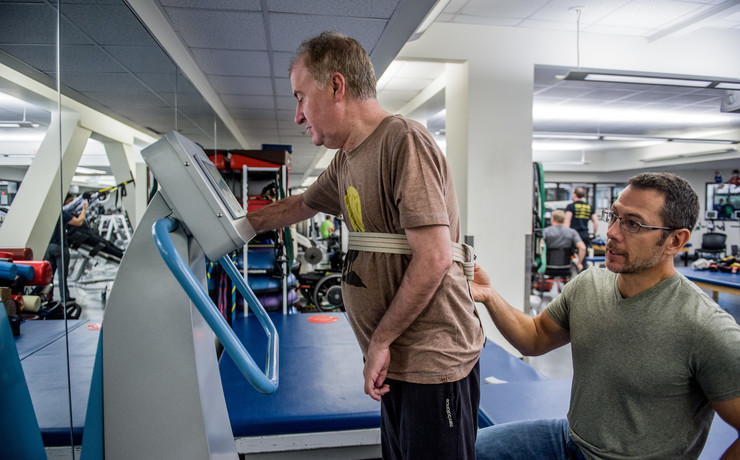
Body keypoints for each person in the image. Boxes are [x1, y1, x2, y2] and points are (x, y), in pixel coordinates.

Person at [246, 31, 484, 459]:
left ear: (337, 86)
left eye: (301, 97)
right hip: (398, 362)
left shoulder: (403, 141)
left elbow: (434, 258)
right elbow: (301, 204)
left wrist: (380, 341)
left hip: (433, 365)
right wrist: (236, 226)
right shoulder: (348, 158)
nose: (298, 115)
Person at [472, 172, 740, 459]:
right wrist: (489, 294)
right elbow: (535, 338)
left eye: (633, 224)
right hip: (570, 440)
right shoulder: (589, 284)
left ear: (675, 241)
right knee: (459, 450)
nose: (611, 232)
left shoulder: (706, 327)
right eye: (613, 216)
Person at [45, 193, 87, 301]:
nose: (71, 203)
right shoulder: (61, 213)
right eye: (70, 201)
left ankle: (48, 297)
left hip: (49, 247)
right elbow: (79, 222)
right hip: (59, 247)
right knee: (62, 275)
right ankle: (65, 297)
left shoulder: (48, 213)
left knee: (49, 275)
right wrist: (84, 210)